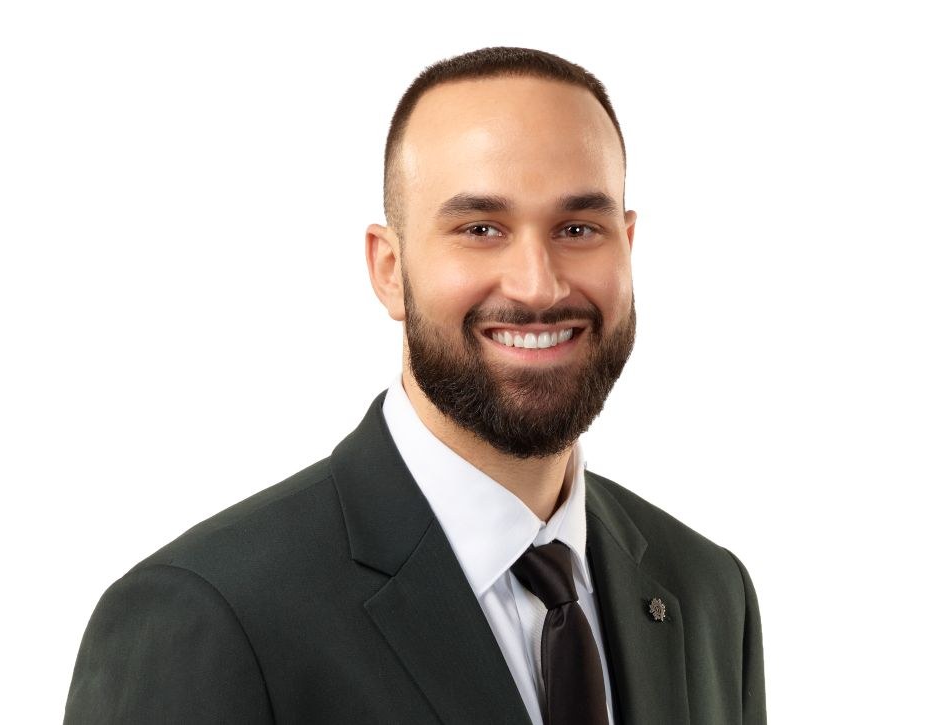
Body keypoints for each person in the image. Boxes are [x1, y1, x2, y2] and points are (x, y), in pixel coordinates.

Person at [65, 46, 766, 724]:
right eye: (481, 228)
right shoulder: (206, 617)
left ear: (627, 247)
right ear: (388, 270)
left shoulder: (708, 592)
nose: (538, 286)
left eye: (578, 228)